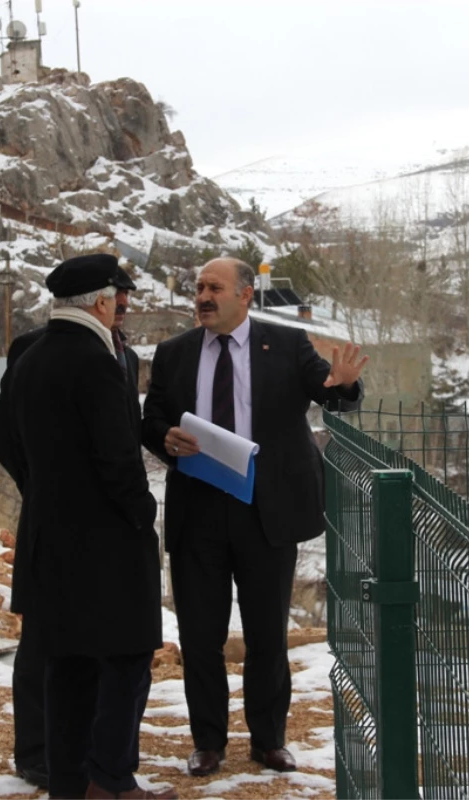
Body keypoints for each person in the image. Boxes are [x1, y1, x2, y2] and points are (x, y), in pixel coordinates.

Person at [141, 257, 367, 777]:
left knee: (267, 635)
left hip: (267, 512)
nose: (202, 296)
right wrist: (163, 437)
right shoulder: (174, 353)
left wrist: (346, 385)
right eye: (198, 286)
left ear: (244, 296)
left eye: (214, 287)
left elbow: (329, 391)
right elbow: (151, 418)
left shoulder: (285, 345)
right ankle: (208, 743)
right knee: (200, 637)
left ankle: (268, 740)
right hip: (197, 510)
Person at [0, 253, 177, 800]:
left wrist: (49, 496)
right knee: (125, 657)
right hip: (106, 544)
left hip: (51, 535)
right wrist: (142, 514)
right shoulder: (94, 362)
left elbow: (13, 442)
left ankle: (69, 784)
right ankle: (112, 781)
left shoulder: (33, 358)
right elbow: (116, 459)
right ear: (100, 301)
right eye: (115, 299)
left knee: (66, 663)